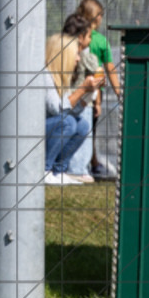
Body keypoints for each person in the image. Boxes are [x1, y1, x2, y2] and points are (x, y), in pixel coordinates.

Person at [44, 26, 102, 186]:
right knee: (68, 123)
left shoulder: (60, 78)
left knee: (82, 125)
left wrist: (89, 94)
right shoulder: (45, 76)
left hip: (47, 127)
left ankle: (59, 171)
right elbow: (57, 110)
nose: (78, 59)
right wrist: (82, 88)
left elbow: (70, 111)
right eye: (75, 54)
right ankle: (45, 169)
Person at [74, 0, 122, 179]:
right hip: (92, 93)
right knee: (89, 129)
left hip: (73, 89)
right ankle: (87, 165)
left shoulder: (72, 35)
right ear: (96, 17)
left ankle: (86, 163)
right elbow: (109, 68)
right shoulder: (100, 41)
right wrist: (118, 91)